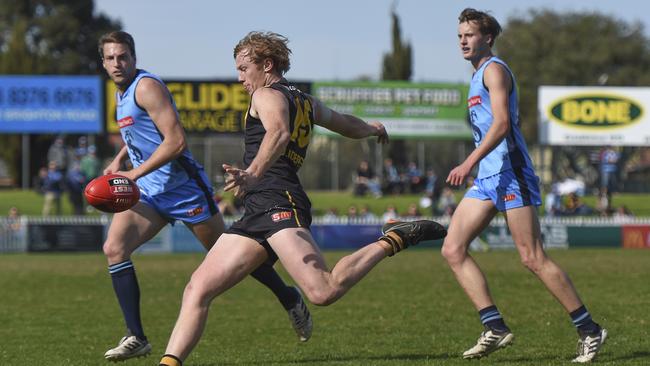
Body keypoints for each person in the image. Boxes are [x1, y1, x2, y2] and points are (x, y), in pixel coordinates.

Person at [157, 31, 446, 366]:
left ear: (266, 65)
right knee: (197, 289)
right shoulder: (305, 100)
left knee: (323, 291)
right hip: (257, 209)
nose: (239, 79)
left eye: (243, 68)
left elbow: (278, 132)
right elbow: (343, 123)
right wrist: (371, 128)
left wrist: (253, 173)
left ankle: (394, 238)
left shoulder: (265, 95)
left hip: (279, 201)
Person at [98, 30, 312, 362]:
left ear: (134, 58)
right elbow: (140, 131)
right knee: (114, 248)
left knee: (232, 255)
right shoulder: (121, 93)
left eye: (123, 56)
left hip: (183, 189)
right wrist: (118, 159)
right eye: (110, 58)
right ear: (103, 62)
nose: (117, 63)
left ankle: (288, 297)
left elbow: (176, 141)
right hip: (152, 192)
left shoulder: (146, 87)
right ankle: (136, 336)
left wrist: (133, 174)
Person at [441, 9, 606, 363]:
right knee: (453, 249)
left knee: (532, 258)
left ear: (488, 38)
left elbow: (501, 124)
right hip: (488, 177)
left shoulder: (495, 70)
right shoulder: (475, 77)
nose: (463, 41)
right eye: (459, 36)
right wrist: (477, 166)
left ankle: (590, 329)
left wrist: (468, 162)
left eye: (469, 35)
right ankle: (494, 327)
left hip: (511, 172)